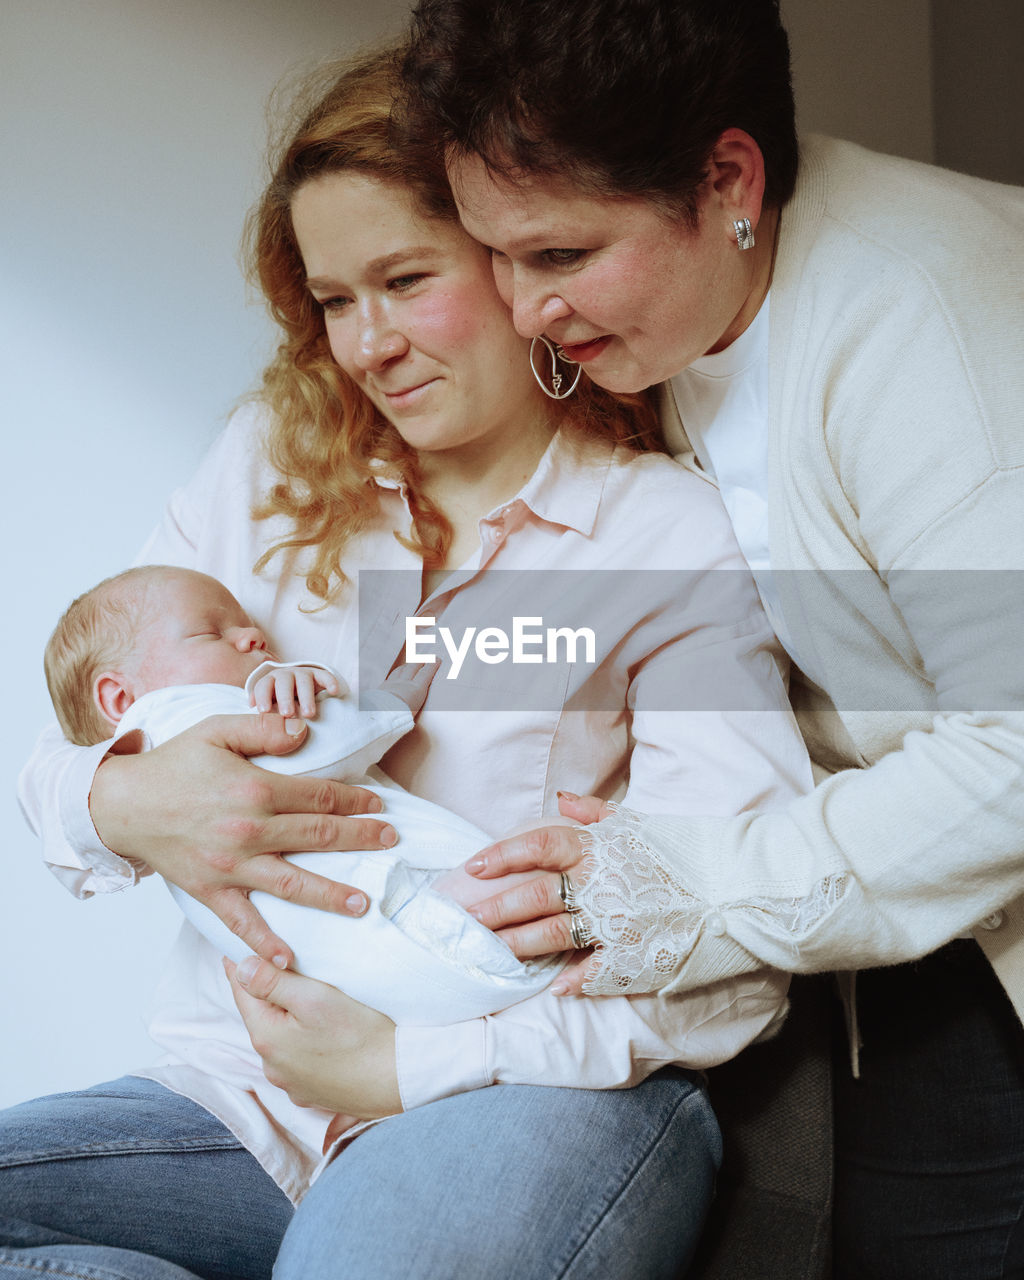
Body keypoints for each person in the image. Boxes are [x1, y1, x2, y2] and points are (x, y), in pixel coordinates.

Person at [9, 45, 811, 1280]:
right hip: (240, 1095)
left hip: (531, 1087)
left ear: (510, 261)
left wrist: (405, 1066)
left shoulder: (662, 534)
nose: (367, 343)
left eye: (404, 279)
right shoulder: (267, 464)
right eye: (335, 299)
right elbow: (81, 732)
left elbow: (734, 940)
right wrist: (122, 797)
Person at [399, 1, 1024, 1275]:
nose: (525, 309)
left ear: (728, 179)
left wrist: (672, 883)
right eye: (492, 257)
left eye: (560, 254)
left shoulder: (929, 322)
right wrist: (118, 776)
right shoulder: (676, 316)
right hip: (900, 931)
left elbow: (1017, 750)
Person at [44, 562, 564, 1024]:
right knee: (554, 855)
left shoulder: (149, 763)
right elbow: (314, 746)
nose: (251, 635)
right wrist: (383, 699)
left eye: (246, 625)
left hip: (365, 977)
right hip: (420, 923)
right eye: (211, 633)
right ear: (120, 698)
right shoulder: (177, 717)